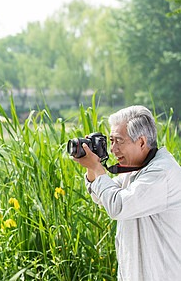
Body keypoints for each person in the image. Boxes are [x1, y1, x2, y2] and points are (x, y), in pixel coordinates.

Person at [72, 105, 181, 281]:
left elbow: (118, 206)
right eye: (111, 141)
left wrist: (96, 167)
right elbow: (101, 196)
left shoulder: (162, 173)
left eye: (119, 141)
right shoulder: (136, 170)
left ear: (142, 142)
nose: (113, 149)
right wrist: (93, 167)